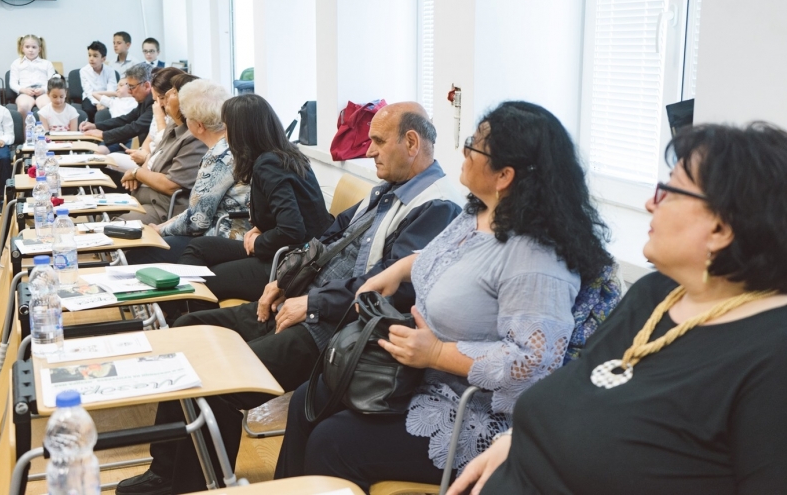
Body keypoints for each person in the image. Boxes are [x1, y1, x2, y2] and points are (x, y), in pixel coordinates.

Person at [116, 101, 465, 495]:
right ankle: (165, 470)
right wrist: (283, 281)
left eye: (379, 142)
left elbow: (393, 287)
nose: (368, 151)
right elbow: (329, 234)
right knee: (188, 330)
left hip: (335, 329)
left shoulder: (437, 206)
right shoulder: (388, 189)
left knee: (220, 382)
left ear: (412, 143)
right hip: (303, 304)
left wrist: (312, 303)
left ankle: (190, 486)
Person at [274, 101, 617, 491]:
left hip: (470, 408)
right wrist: (400, 268)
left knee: (333, 443)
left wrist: (436, 353)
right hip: (418, 376)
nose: (464, 151)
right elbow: (446, 258)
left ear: (505, 175)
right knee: (308, 400)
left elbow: (532, 363)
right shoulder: (478, 214)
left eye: (474, 146)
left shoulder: (536, 259)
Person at [447, 122, 787, 495]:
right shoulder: (655, 294)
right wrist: (517, 439)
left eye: (669, 192)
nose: (650, 204)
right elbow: (580, 388)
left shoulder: (772, 354)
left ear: (721, 228)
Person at [173, 93, 333, 311]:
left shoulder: (269, 165)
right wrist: (260, 227)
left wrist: (258, 243)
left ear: (242, 132)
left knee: (206, 280)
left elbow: (292, 230)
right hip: (289, 249)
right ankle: (185, 311)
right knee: (198, 247)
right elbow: (288, 213)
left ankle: (189, 318)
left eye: (227, 128)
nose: (225, 135)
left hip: (290, 261)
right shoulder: (285, 154)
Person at [124, 79, 249, 263]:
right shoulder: (234, 144)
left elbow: (197, 221)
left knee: (141, 253)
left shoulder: (218, 156)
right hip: (232, 233)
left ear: (199, 126)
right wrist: (164, 226)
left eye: (186, 117)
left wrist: (160, 230)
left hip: (224, 238)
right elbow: (197, 210)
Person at [115, 73, 204, 226]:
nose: (167, 95)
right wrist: (138, 174)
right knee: (103, 213)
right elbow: (153, 158)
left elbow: (171, 185)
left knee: (115, 225)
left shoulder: (194, 137)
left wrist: (137, 173)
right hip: (147, 197)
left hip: (163, 208)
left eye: (174, 92)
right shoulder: (173, 126)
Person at [106, 67, 182, 173]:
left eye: (162, 98)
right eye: (156, 100)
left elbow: (166, 149)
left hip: (159, 163)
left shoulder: (173, 115)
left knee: (111, 160)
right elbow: (149, 138)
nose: (159, 103)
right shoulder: (156, 105)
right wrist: (142, 155)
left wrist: (139, 171)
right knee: (110, 159)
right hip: (148, 159)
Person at [79, 62, 153, 153]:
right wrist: (95, 126)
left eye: (132, 87)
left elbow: (137, 127)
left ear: (146, 86)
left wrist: (103, 134)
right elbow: (125, 119)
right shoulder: (144, 101)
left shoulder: (154, 102)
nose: (129, 91)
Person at [9, 34, 55, 118]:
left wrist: (43, 89)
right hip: (25, 93)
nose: (30, 50)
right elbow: (13, 83)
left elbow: (52, 82)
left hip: (43, 93)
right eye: (27, 47)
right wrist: (23, 90)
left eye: (34, 47)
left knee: (47, 105)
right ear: (22, 48)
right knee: (23, 106)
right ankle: (25, 127)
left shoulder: (47, 64)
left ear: (39, 49)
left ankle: (46, 127)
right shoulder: (16, 63)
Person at [79, 40, 117, 122]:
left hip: (107, 97)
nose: (91, 59)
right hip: (90, 98)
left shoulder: (110, 71)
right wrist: (97, 103)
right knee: (89, 109)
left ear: (103, 59)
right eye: (89, 55)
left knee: (113, 109)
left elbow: (111, 90)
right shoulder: (83, 71)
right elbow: (88, 91)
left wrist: (105, 102)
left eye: (95, 56)